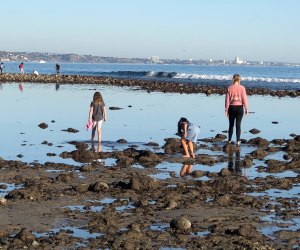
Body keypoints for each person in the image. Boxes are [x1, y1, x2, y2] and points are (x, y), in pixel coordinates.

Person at [225, 74, 249, 146]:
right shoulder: (242, 88)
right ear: (239, 79)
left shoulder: (229, 88)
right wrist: (246, 108)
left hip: (231, 108)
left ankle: (229, 140)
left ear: (233, 79)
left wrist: (226, 110)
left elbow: (227, 100)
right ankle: (238, 140)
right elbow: (244, 99)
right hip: (239, 108)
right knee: (238, 125)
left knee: (231, 125)